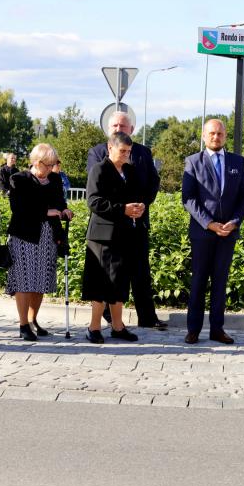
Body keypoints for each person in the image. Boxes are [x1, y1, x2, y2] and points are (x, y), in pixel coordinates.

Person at [87, 112, 165, 330]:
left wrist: (141, 205)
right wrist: (124, 209)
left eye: (123, 126)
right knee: (106, 278)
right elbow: (97, 193)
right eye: (114, 125)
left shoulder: (141, 154)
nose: (118, 129)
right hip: (108, 227)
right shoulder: (97, 155)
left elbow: (151, 182)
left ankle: (143, 319)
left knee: (136, 274)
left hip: (135, 223)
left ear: (131, 129)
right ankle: (102, 323)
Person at [181, 119, 244, 344]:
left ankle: (217, 329)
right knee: (198, 281)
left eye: (220, 133)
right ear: (204, 136)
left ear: (225, 136)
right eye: (211, 133)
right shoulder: (193, 161)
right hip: (202, 232)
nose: (216, 137)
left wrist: (235, 222)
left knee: (220, 282)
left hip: (228, 233)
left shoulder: (238, 162)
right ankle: (193, 329)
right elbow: (188, 198)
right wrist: (209, 223)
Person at [82, 132, 146, 344]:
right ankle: (94, 327)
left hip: (125, 234)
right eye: (122, 151)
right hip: (102, 237)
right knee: (100, 283)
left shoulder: (130, 171)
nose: (126, 155)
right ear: (110, 148)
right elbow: (93, 201)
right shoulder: (99, 169)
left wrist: (139, 206)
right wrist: (123, 209)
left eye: (129, 152)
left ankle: (118, 327)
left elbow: (138, 195)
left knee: (120, 282)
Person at [7, 144, 73, 341]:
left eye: (53, 164)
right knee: (24, 280)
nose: (51, 168)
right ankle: (23, 325)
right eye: (48, 165)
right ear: (36, 162)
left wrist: (64, 210)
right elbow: (18, 208)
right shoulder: (18, 179)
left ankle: (32, 319)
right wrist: (45, 212)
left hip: (48, 236)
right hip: (24, 236)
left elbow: (59, 202)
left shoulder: (54, 179)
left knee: (41, 280)